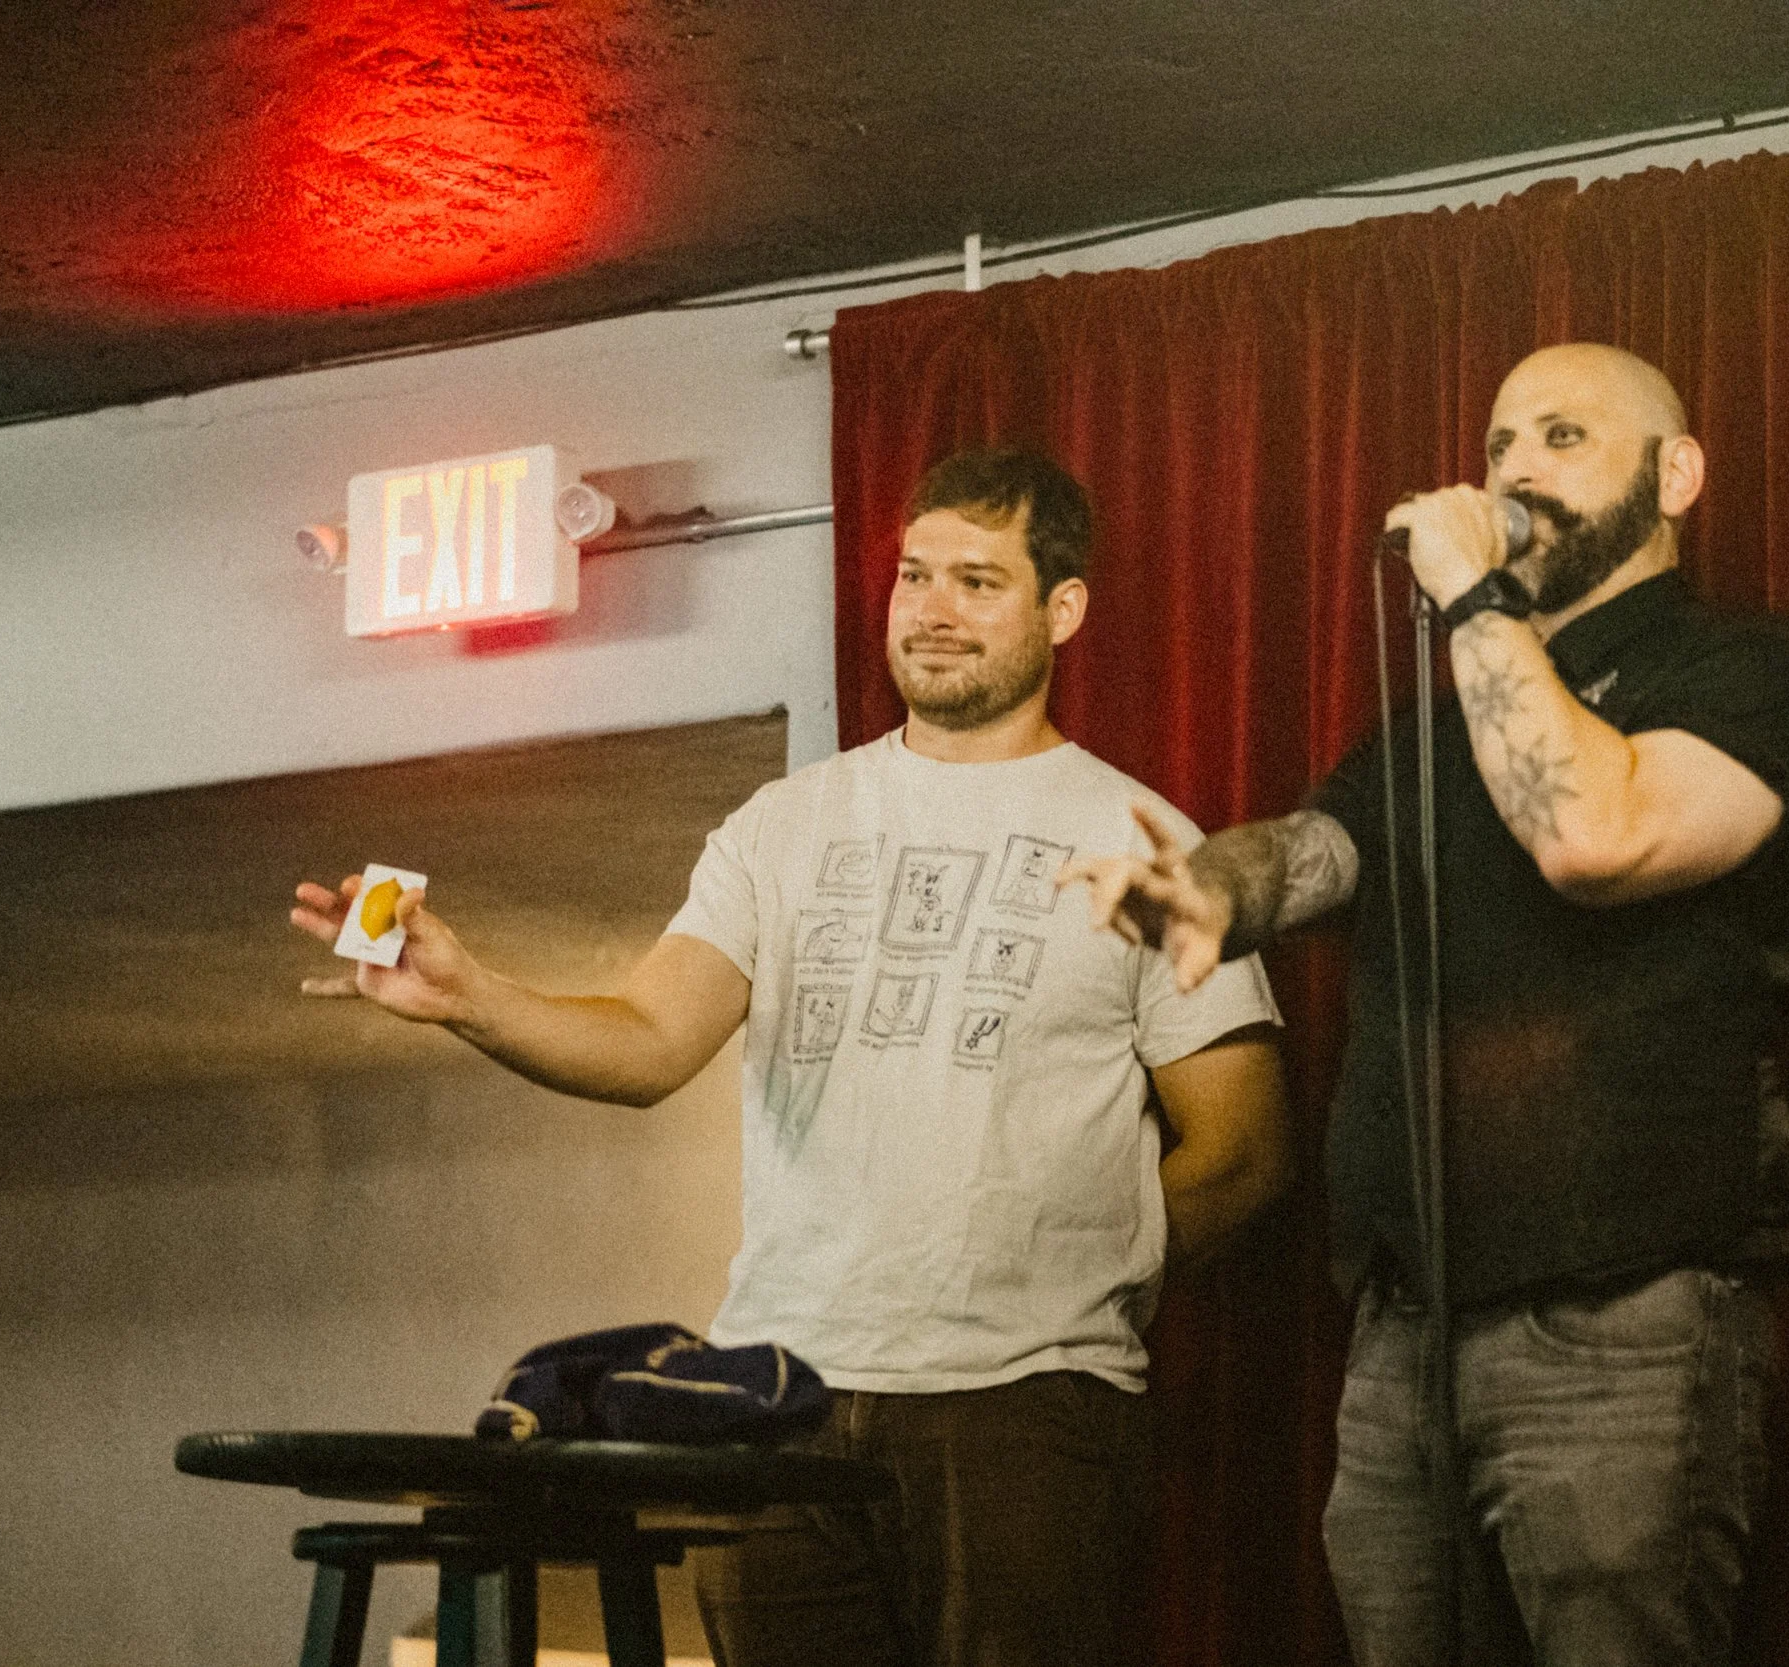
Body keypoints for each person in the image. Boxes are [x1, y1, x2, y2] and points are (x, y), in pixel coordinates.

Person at [290, 447, 1289, 1667]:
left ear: (1061, 609)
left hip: (1028, 1409)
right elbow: (654, 1037)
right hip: (782, 1399)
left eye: (978, 580)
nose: (931, 608)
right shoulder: (785, 824)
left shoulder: (1142, 840)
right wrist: (470, 996)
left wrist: (1071, 1266)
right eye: (915, 575)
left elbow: (1245, 1148)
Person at [1062, 344, 1789, 1666]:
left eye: (1563, 436)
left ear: (1678, 474)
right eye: (1499, 445)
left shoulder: (1749, 665)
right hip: (1409, 1330)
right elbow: (1317, 849)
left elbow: (1595, 835)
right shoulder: (1432, 732)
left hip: (1626, 1324)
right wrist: (1207, 888)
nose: (1517, 470)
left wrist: (1478, 595)